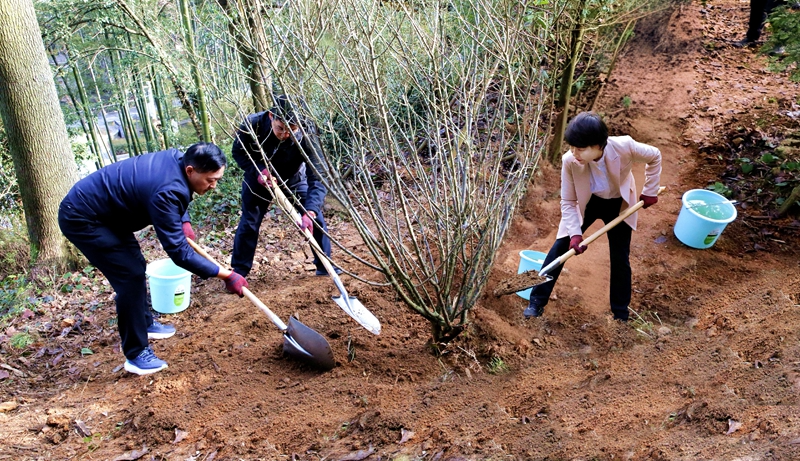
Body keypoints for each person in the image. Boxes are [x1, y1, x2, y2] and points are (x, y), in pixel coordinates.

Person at [58, 143, 249, 376]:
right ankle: (136, 354)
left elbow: (174, 194)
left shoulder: (179, 159)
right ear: (191, 171)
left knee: (136, 266)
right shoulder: (168, 190)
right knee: (129, 277)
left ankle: (144, 323)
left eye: (217, 178)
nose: (213, 185)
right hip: (83, 217)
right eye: (210, 180)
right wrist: (226, 275)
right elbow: (179, 252)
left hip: (109, 213)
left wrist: (183, 221)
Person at [524, 112, 662, 322]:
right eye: (572, 147)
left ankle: (620, 313)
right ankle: (536, 301)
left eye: (580, 148)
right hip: (587, 203)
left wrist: (650, 190)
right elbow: (568, 201)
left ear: (599, 146)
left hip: (619, 204)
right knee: (560, 247)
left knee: (620, 257)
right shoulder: (570, 161)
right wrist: (575, 234)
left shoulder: (624, 146)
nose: (574, 152)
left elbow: (655, 156)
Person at [230, 95, 339, 281]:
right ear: (271, 116)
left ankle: (324, 265)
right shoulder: (252, 125)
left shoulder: (308, 133)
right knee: (249, 222)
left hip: (293, 177)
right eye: (281, 128)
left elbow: (317, 175)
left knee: (315, 218)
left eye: (291, 129)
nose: (285, 134)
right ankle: (238, 272)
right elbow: (238, 152)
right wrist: (259, 170)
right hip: (259, 178)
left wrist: (310, 211)